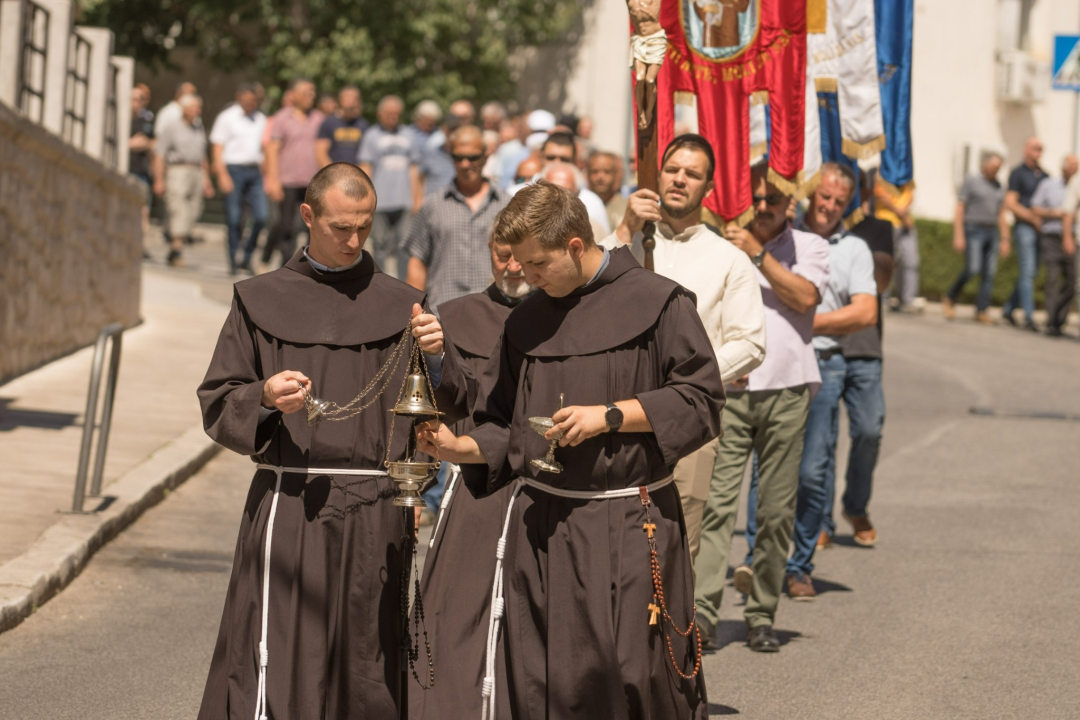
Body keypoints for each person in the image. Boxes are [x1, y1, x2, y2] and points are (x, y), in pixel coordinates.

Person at [418, 180, 724, 720]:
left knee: (632, 671)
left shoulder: (660, 302)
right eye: (518, 264)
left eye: (537, 265)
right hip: (545, 528)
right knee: (546, 677)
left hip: (631, 519)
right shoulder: (527, 321)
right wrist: (456, 446)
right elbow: (498, 421)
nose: (524, 278)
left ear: (576, 246)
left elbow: (700, 400)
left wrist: (610, 416)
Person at [195, 163, 454, 720]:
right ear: (308, 216)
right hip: (291, 505)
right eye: (341, 227)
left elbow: (447, 408)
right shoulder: (259, 299)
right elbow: (219, 398)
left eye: (364, 226)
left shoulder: (404, 304)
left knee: (369, 661)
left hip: (377, 509)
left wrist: (439, 354)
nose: (355, 240)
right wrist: (263, 394)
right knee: (284, 650)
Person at [603, 133, 766, 561]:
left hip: (685, 422)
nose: (679, 180)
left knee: (675, 548)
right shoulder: (626, 243)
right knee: (609, 541)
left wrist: (690, 380)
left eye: (692, 174)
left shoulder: (729, 259)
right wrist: (625, 228)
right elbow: (580, 292)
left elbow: (750, 342)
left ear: (708, 189)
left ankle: (669, 630)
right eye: (672, 170)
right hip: (613, 411)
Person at [692, 163, 829, 653]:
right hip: (731, 391)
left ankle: (761, 613)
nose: (764, 206)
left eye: (774, 198)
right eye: (757, 198)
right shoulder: (719, 246)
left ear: (790, 202)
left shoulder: (811, 246)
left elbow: (805, 297)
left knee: (774, 511)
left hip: (787, 391)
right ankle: (703, 611)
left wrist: (757, 254)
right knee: (716, 505)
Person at [409, 233, 536, 720]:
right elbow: (445, 400)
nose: (512, 264)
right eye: (502, 253)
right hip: (477, 487)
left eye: (521, 255)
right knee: (455, 614)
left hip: (544, 489)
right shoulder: (457, 315)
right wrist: (439, 357)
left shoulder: (567, 317)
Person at [777, 163, 878, 601]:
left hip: (827, 363)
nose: (830, 207)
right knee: (768, 466)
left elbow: (864, 313)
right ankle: (761, 561)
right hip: (779, 361)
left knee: (814, 469)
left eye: (840, 201)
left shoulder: (854, 248)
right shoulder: (780, 236)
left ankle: (799, 565)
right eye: (825, 197)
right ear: (810, 194)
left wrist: (806, 319)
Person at [404, 125, 509, 314]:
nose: (465, 164)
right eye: (458, 158)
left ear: (486, 157)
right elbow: (418, 262)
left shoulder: (506, 205)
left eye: (473, 158)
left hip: (494, 313)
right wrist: (414, 314)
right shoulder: (433, 205)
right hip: (442, 315)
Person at [358, 95, 423, 279]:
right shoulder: (371, 135)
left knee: (404, 245)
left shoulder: (409, 135)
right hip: (379, 200)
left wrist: (417, 198)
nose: (393, 117)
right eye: (389, 114)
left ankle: (403, 284)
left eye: (396, 114)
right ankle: (379, 282)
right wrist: (364, 197)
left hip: (403, 200)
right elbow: (366, 167)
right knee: (379, 244)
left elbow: (414, 169)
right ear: (380, 114)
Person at [263, 78, 324, 268]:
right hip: (288, 180)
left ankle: (308, 265)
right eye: (307, 93)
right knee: (286, 225)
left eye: (313, 93)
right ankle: (286, 263)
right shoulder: (282, 118)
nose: (311, 97)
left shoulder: (319, 118)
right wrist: (273, 180)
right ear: (295, 95)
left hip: (312, 183)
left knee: (310, 227)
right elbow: (272, 150)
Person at [944, 152, 1011, 324]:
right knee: (973, 268)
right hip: (973, 229)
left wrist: (1005, 239)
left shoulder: (998, 186)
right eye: (994, 167)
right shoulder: (971, 181)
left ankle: (981, 310)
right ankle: (950, 297)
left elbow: (1001, 213)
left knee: (989, 273)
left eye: (999, 168)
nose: (996, 170)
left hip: (992, 231)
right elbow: (960, 208)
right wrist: (958, 235)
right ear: (985, 165)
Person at [210, 83, 268, 274]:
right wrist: (222, 174)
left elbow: (266, 149)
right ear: (239, 97)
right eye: (248, 100)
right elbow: (217, 147)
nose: (251, 103)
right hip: (233, 170)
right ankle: (234, 259)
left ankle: (248, 256)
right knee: (234, 219)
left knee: (261, 216)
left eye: (254, 100)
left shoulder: (261, 119)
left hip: (255, 172)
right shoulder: (227, 118)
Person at [153, 94, 214, 267]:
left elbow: (202, 155)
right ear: (185, 109)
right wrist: (158, 179)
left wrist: (206, 178)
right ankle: (177, 249)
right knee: (178, 209)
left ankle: (173, 244)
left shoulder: (198, 128)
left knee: (194, 210)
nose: (198, 110)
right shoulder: (172, 128)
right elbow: (159, 154)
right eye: (194, 107)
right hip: (177, 169)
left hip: (195, 171)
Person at [512, 132, 611, 234]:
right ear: (540, 156)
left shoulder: (591, 202)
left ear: (574, 160)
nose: (557, 163)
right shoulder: (516, 194)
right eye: (550, 157)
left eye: (564, 159)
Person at [1002, 137, 1047, 331]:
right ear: (1025, 150)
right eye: (1035, 148)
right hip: (1024, 228)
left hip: (1039, 229)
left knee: (1031, 273)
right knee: (1027, 272)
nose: (1038, 152)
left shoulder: (1045, 176)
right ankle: (1028, 316)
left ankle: (1008, 308)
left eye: (1040, 149)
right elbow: (1011, 203)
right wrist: (1032, 218)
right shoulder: (1018, 173)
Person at [1030, 155, 1078, 337]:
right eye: (1071, 165)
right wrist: (1055, 213)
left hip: (1073, 238)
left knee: (1072, 282)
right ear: (1063, 167)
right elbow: (1034, 207)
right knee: (1052, 279)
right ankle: (1051, 322)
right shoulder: (1048, 185)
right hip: (1052, 237)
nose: (1074, 169)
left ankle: (1060, 318)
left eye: (1077, 166)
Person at [874, 174, 919, 312]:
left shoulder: (906, 174)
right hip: (886, 222)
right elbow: (882, 197)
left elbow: (910, 195)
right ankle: (882, 299)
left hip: (904, 224)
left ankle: (907, 300)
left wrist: (903, 215)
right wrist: (900, 213)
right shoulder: (880, 176)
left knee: (911, 262)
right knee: (886, 262)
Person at [316, 85, 369, 167]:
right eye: (347, 97)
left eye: (354, 98)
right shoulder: (329, 123)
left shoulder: (362, 124)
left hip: (356, 175)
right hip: (333, 175)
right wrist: (333, 174)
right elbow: (321, 153)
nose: (351, 100)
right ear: (340, 100)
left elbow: (366, 157)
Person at [129, 83, 155, 237]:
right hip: (125, 169)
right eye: (135, 98)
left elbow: (156, 141)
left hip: (142, 170)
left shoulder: (147, 119)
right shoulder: (117, 118)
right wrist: (129, 144)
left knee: (144, 210)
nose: (138, 102)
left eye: (142, 99)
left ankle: (141, 246)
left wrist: (147, 144)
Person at [587, 150, 629, 231]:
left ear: (616, 175)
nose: (600, 177)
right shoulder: (579, 204)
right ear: (588, 174)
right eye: (595, 171)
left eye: (607, 172)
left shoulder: (627, 207)